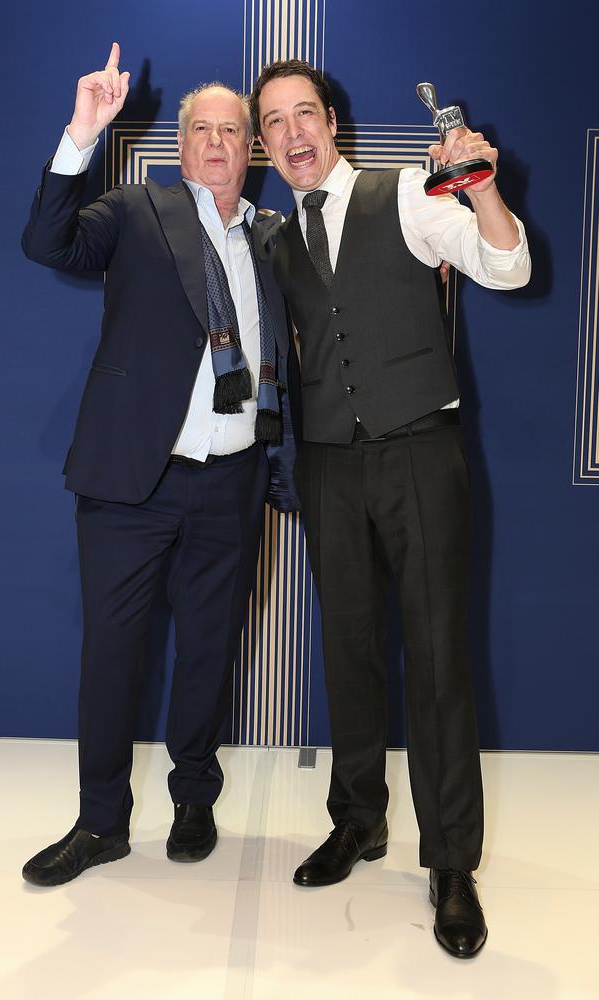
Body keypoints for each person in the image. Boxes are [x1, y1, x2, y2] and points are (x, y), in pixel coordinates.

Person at [250, 59, 531, 958]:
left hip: (420, 451)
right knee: (349, 649)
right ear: (264, 146)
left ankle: (451, 865)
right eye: (274, 124)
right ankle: (359, 819)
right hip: (330, 464)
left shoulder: (406, 194)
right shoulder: (277, 239)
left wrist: (484, 192)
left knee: (442, 656)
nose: (292, 134)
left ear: (331, 122)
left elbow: (506, 267)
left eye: (305, 115)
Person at [20, 43, 300, 887]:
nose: (218, 143)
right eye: (202, 130)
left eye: (233, 132)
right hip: (131, 484)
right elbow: (49, 242)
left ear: (250, 150)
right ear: (181, 147)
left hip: (234, 482)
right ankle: (101, 822)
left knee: (210, 652)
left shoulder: (278, 238)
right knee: (112, 655)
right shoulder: (137, 211)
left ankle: (194, 801)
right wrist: (80, 133)